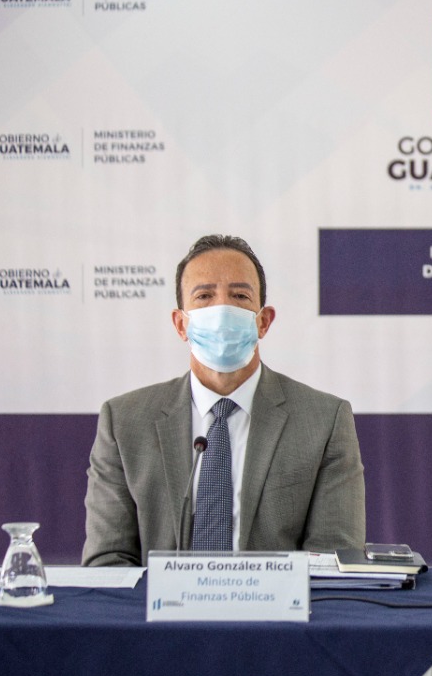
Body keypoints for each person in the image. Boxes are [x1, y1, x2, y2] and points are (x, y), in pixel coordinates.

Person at [82, 235, 366, 566]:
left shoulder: (324, 421)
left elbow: (333, 561)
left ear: (263, 321)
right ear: (180, 324)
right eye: (204, 296)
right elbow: (107, 562)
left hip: (276, 602)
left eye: (240, 296)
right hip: (158, 602)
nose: (222, 310)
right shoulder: (124, 422)